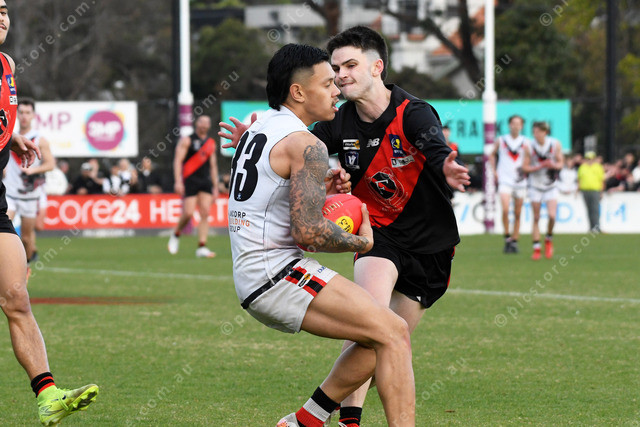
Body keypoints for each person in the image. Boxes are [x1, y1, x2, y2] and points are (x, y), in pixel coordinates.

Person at [221, 27, 469, 426]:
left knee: (385, 333)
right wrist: (362, 240)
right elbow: (309, 233)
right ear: (298, 93)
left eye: (344, 71)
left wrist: (323, 186)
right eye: (327, 81)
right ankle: (341, 418)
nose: (335, 87)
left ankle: (306, 419)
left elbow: (280, 189)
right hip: (277, 273)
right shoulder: (308, 143)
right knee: (392, 333)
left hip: (260, 273)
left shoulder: (263, 128)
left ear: (377, 67)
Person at [0, 3, 99, 425]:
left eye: (5, 10)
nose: (2, 18)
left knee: (17, 297)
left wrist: (13, 137)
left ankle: (48, 395)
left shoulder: (6, 65)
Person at [4, 98, 54, 264]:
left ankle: (26, 265)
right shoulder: (9, 135)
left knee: (26, 239)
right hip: (10, 193)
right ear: (17, 114)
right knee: (3, 230)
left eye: (27, 113)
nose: (24, 116)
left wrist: (33, 170)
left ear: (33, 115)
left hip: (30, 196)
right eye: (21, 112)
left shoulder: (39, 139)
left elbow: (50, 164)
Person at [168, 115, 220, 258]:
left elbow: (213, 166)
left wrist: (215, 186)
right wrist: (178, 181)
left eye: (207, 122)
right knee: (188, 213)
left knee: (205, 213)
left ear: (209, 125)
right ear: (197, 124)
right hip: (190, 180)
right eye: (202, 122)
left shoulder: (210, 143)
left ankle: (202, 246)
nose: (204, 125)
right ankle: (176, 234)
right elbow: (178, 161)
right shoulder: (187, 140)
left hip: (205, 181)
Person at [522, 121, 564, 260]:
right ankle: (536, 248)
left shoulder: (555, 144)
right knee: (536, 217)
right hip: (535, 185)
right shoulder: (529, 146)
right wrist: (539, 166)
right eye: (534, 132)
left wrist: (552, 165)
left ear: (545, 132)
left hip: (550, 185)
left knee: (552, 216)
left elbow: (560, 163)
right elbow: (525, 167)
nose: (536, 134)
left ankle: (548, 238)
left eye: (538, 132)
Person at [489, 115, 529, 254]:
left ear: (522, 126)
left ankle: (515, 240)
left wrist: (526, 169)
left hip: (520, 181)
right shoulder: (501, 140)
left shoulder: (526, 142)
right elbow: (492, 154)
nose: (516, 126)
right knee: (505, 209)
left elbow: (529, 159)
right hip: (505, 180)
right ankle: (507, 236)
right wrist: (494, 171)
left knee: (518, 213)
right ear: (509, 125)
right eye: (513, 123)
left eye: (518, 124)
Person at [577, 151, 605, 231]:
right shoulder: (582, 167)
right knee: (589, 210)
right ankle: (591, 227)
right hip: (585, 191)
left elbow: (602, 180)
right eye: (588, 158)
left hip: (595, 190)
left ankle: (596, 227)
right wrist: (578, 189)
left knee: (595, 209)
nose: (589, 160)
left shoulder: (598, 167)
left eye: (591, 158)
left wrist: (601, 192)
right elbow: (579, 179)